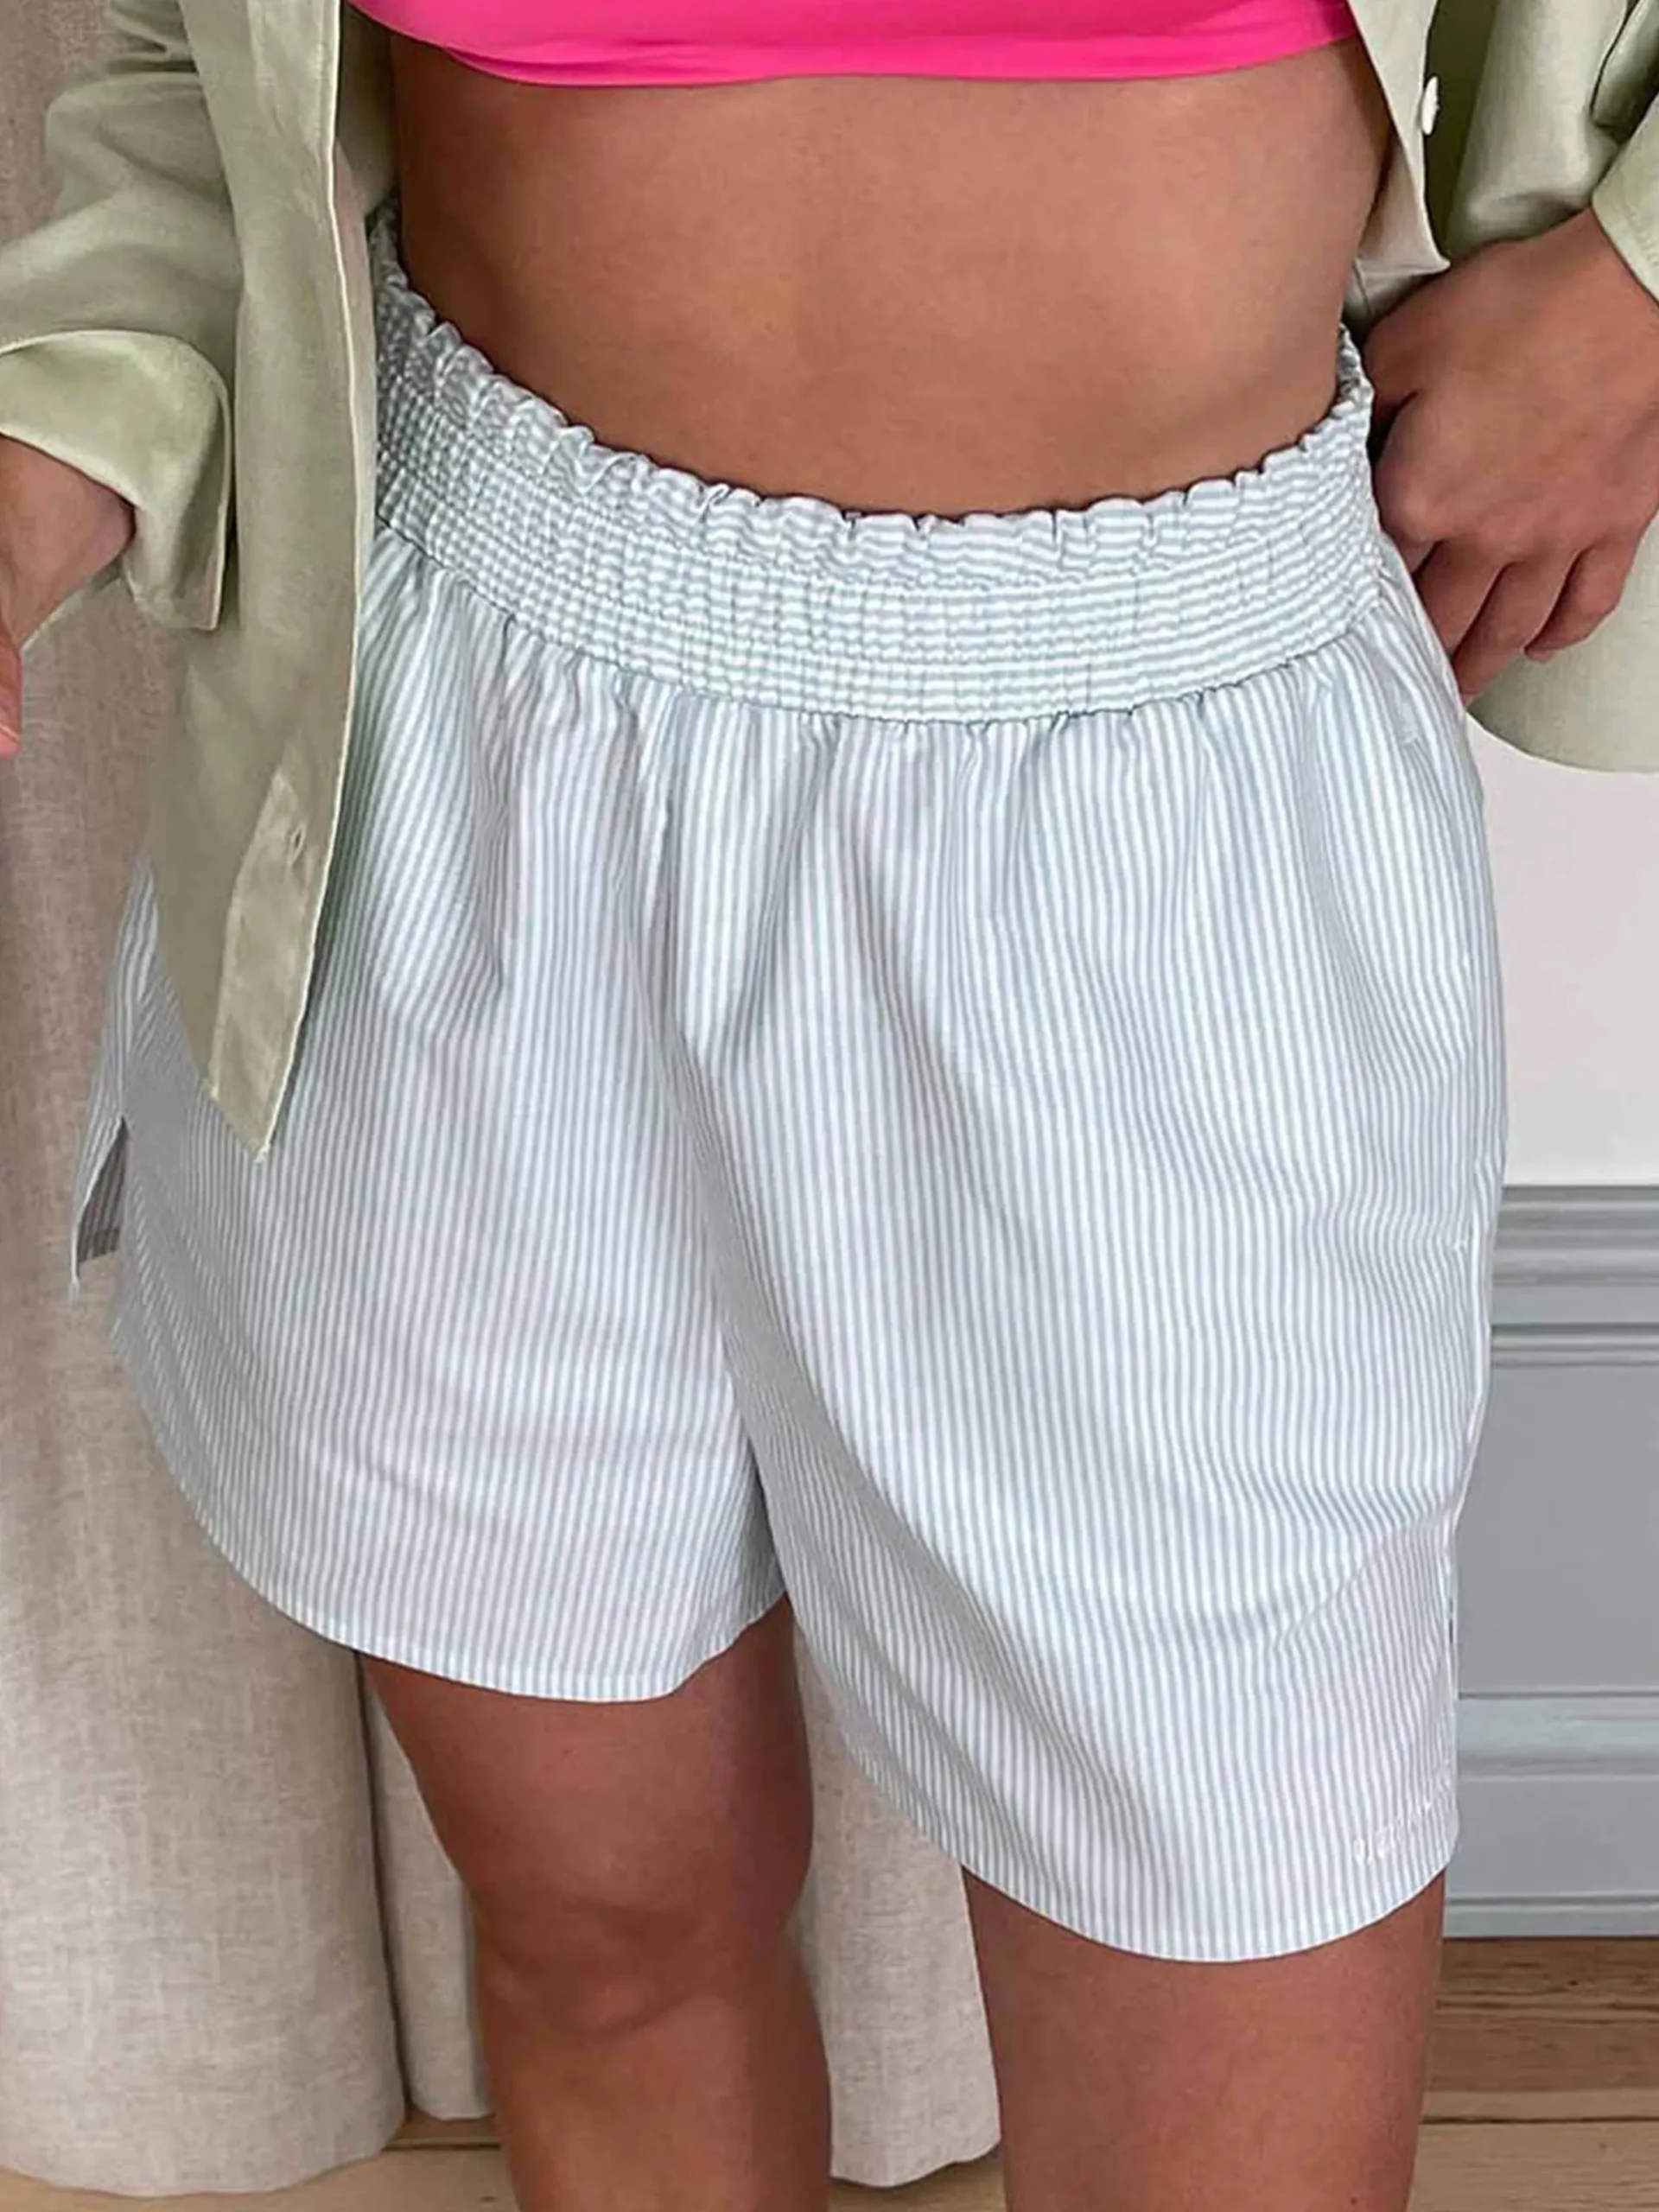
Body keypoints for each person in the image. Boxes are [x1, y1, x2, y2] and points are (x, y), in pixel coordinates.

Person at [1, 7, 1656, 2210]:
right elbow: (186, 86)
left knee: (1225, 1974)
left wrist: (1644, 290)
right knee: (601, 1926)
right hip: (464, 730)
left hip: (1147, 784)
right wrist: (47, 445)